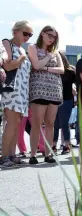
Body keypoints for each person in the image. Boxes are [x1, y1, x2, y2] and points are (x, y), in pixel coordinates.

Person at [28, 25, 64, 164]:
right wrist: (47, 57)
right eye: (50, 35)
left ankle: (48, 154)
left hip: (54, 90)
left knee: (50, 123)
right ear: (42, 33)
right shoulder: (33, 47)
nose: (52, 39)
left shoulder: (56, 52)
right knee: (36, 123)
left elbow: (62, 70)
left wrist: (46, 67)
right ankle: (32, 155)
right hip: (38, 89)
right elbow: (36, 66)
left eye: (54, 37)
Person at [0, 21, 32, 167]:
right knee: (12, 123)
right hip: (12, 90)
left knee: (16, 124)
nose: (28, 37)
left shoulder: (22, 49)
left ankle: (12, 154)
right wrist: (21, 59)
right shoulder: (7, 43)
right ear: (16, 31)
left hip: (22, 91)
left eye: (30, 34)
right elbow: (7, 64)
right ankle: (4, 156)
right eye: (25, 33)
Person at [53, 51, 76, 154]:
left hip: (66, 99)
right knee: (55, 123)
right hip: (54, 99)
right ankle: (53, 145)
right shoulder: (54, 70)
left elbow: (78, 84)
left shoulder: (70, 71)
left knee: (64, 123)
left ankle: (66, 145)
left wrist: (75, 92)